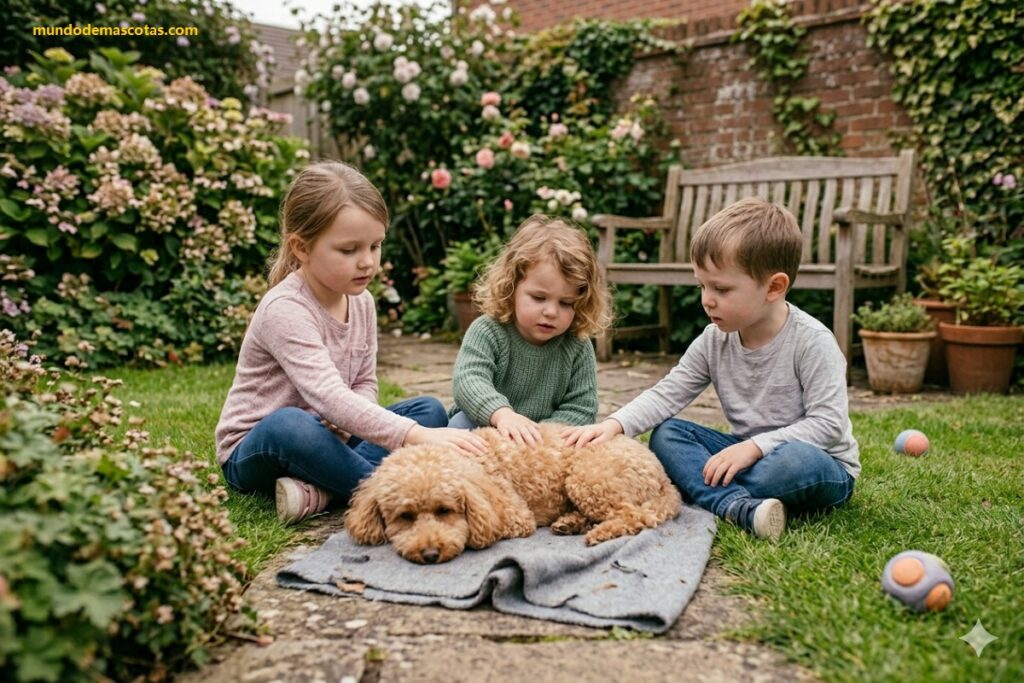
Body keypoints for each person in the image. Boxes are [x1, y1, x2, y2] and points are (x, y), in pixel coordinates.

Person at [563, 198, 859, 541]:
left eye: (721, 288)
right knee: (668, 435)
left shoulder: (812, 342)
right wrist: (617, 424)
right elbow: (668, 392)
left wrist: (755, 447)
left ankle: (709, 491)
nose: (707, 299)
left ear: (774, 287)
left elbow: (829, 424)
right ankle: (740, 507)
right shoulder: (713, 339)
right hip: (744, 450)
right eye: (702, 285)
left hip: (817, 464)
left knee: (789, 464)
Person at [215, 162, 486, 524]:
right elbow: (327, 395)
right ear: (301, 247)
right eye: (348, 250)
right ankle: (392, 494)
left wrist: (362, 424)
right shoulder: (285, 308)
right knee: (292, 425)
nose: (368, 262)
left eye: (375, 246)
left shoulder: (362, 301)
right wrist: (415, 437)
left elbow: (362, 382)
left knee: (428, 411)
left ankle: (323, 491)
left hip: (332, 435)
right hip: (260, 447)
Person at [449, 215, 613, 446]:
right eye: (539, 298)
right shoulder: (488, 331)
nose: (551, 312)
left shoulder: (577, 345)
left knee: (581, 443)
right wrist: (503, 415)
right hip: (490, 425)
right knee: (458, 425)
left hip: (542, 441)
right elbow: (468, 380)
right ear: (511, 286)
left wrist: (540, 436)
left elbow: (581, 407)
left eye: (566, 303)